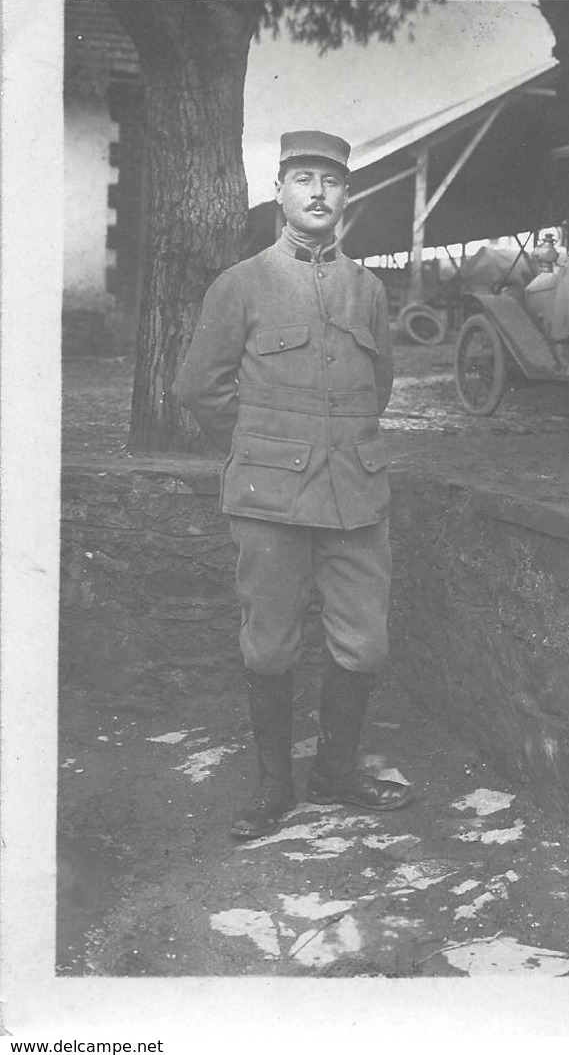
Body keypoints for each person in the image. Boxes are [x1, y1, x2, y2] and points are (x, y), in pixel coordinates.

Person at [178, 130, 411, 841]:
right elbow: (199, 389)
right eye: (303, 178)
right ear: (279, 191)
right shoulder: (243, 283)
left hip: (357, 495)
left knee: (364, 644)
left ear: (346, 196)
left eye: (332, 181)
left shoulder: (367, 288)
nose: (318, 193)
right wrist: (261, 452)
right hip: (270, 501)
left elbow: (380, 383)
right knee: (270, 645)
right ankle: (275, 784)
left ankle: (335, 775)